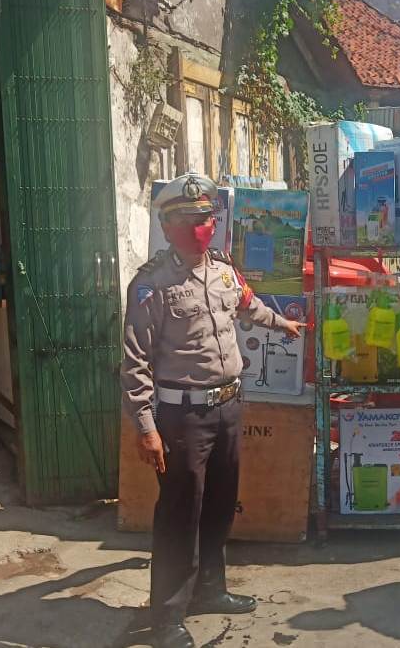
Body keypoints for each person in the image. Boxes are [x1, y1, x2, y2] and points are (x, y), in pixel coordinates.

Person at [121, 172, 305, 648]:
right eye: (192, 219)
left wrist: (282, 323)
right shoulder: (150, 286)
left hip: (226, 408)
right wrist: (146, 428)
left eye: (207, 218)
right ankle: (166, 617)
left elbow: (247, 306)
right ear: (169, 225)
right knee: (180, 515)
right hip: (181, 418)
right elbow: (136, 362)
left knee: (220, 507)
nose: (203, 226)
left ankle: (210, 590)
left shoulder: (222, 270)